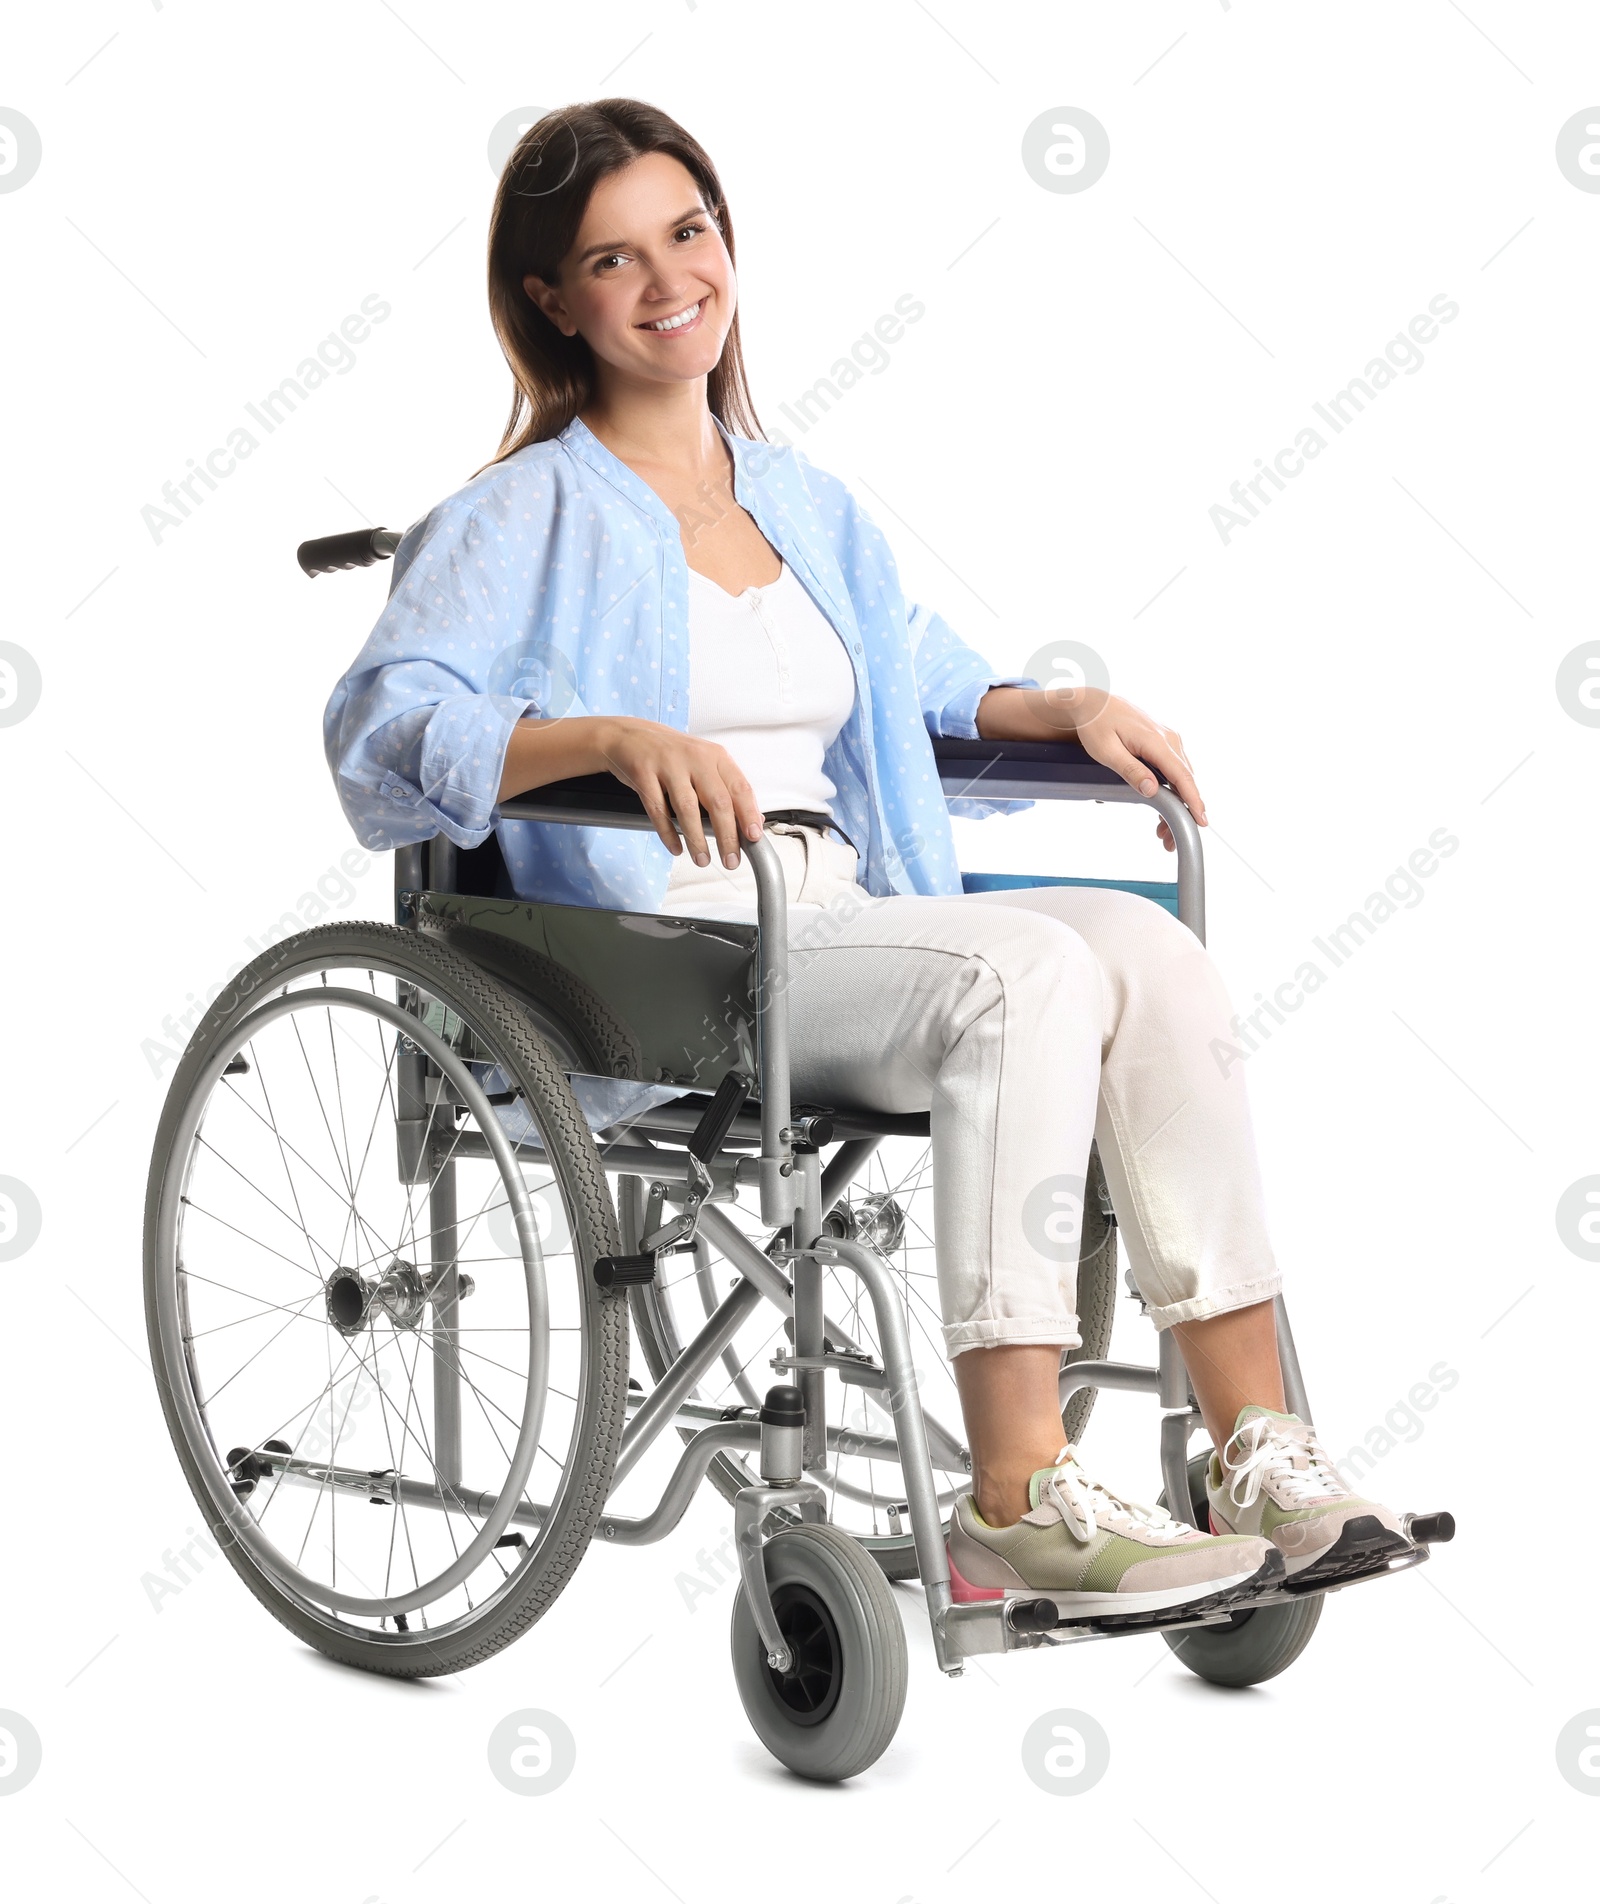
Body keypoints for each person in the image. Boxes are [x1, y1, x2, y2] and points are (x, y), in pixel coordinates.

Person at [324, 98, 1410, 1619]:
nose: (666, 281)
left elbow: (903, 669)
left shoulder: (803, 501)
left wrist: (1059, 704)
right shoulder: (517, 516)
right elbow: (383, 731)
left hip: (839, 912)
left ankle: (1253, 1444)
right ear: (548, 301)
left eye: (687, 233)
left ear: (727, 245)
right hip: (665, 956)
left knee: (1152, 953)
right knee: (1021, 970)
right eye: (612, 259)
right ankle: (1017, 1500)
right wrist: (600, 741)